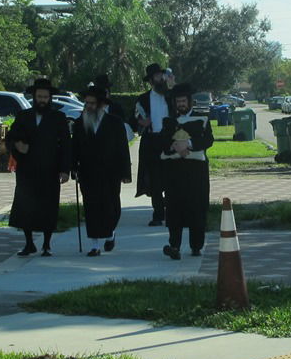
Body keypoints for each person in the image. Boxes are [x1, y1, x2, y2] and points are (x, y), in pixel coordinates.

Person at [5, 77, 71, 256]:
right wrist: (17, 145)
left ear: (50, 98)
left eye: (45, 97)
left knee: (48, 208)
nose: (42, 100)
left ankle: (47, 244)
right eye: (39, 96)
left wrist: (65, 170)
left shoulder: (58, 117)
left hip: (50, 170)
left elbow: (66, 145)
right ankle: (28, 243)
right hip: (27, 170)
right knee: (26, 207)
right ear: (34, 97)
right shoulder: (23, 116)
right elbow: (10, 138)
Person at [71, 84, 132, 257]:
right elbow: (74, 147)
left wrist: (125, 173)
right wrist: (73, 167)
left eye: (92, 103)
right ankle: (94, 245)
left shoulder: (115, 123)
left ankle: (110, 233)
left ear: (101, 105)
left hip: (110, 173)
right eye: (86, 103)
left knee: (112, 207)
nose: (88, 106)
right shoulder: (79, 123)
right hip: (88, 172)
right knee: (91, 208)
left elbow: (122, 149)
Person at [159, 83, 213, 260]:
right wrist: (176, 147)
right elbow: (163, 142)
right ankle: (174, 245)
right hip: (175, 172)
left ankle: (196, 246)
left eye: (183, 101)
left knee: (197, 208)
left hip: (196, 172)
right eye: (178, 101)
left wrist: (188, 145)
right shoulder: (168, 122)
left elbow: (208, 140)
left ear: (189, 101)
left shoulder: (202, 119)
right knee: (174, 208)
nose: (181, 104)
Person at [134, 63, 171, 226]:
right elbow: (135, 118)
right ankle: (158, 214)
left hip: (170, 141)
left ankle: (171, 212)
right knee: (155, 180)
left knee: (171, 179)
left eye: (162, 75)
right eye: (157, 76)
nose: (160, 78)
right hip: (152, 142)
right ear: (151, 80)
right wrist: (142, 121)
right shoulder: (143, 99)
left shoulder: (171, 96)